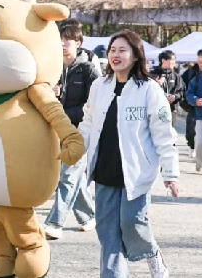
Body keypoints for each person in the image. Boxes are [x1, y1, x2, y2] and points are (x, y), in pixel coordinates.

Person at [79, 30, 179, 278]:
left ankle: (151, 253)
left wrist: (171, 173)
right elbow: (88, 123)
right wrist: (74, 150)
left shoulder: (149, 90)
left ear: (135, 56)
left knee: (133, 223)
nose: (116, 55)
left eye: (122, 50)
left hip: (136, 172)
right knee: (107, 231)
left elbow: (164, 134)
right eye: (113, 50)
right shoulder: (99, 87)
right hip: (104, 170)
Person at [44, 24, 99, 240]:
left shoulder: (88, 70)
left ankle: (54, 223)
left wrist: (68, 112)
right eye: (60, 39)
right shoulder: (52, 68)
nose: (63, 44)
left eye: (67, 40)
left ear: (78, 43)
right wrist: (53, 93)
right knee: (66, 175)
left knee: (67, 174)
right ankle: (88, 216)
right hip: (56, 129)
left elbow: (94, 103)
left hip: (80, 131)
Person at [181, 49, 202, 157]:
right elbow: (182, 88)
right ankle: (192, 145)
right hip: (192, 106)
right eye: (199, 57)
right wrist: (186, 104)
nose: (201, 59)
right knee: (191, 130)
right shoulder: (190, 72)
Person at [150, 50, 185, 128]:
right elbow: (145, 91)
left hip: (171, 110)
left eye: (174, 60)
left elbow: (182, 92)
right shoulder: (152, 75)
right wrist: (156, 84)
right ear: (163, 60)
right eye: (171, 60)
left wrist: (175, 97)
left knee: (170, 134)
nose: (173, 62)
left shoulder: (176, 77)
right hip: (155, 110)